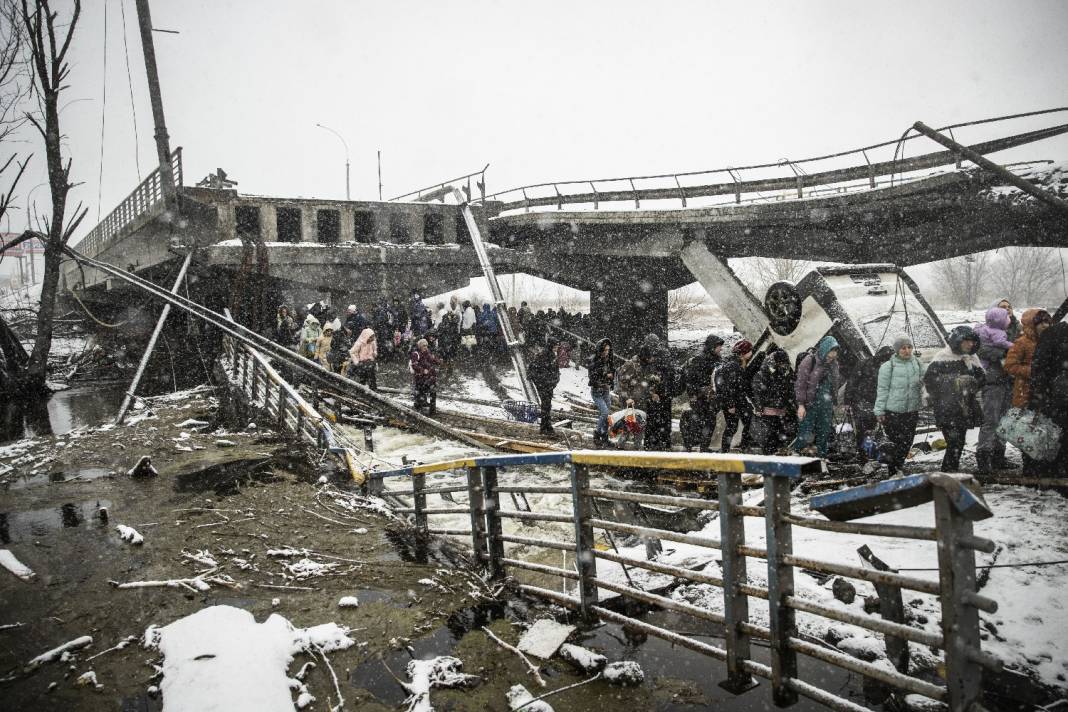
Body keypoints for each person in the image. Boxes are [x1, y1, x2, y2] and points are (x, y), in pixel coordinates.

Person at [924, 326, 985, 472]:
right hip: (946, 408)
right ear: (958, 341)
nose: (970, 344)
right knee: (954, 443)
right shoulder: (942, 357)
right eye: (967, 341)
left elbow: (982, 378)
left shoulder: (971, 358)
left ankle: (950, 473)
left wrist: (972, 381)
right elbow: (930, 381)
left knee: (959, 443)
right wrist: (954, 381)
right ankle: (948, 474)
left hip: (963, 407)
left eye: (972, 341)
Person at [1003, 309, 1053, 475]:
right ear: (1033, 324)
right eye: (1041, 323)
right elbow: (1010, 366)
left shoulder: (1050, 341)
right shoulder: (1022, 342)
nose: (1045, 326)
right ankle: (1030, 470)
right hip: (1026, 392)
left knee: (1045, 430)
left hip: (1046, 393)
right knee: (1028, 431)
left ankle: (1043, 468)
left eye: (1047, 322)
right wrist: (1033, 371)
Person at [873, 336, 925, 476]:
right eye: (903, 348)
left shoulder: (918, 364)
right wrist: (879, 411)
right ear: (897, 350)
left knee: (907, 441)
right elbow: (882, 389)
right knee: (896, 442)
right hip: (893, 412)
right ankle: (894, 470)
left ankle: (897, 467)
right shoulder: (887, 367)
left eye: (909, 347)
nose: (907, 351)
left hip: (911, 410)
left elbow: (927, 379)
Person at [974, 306, 1016, 474]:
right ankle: (984, 458)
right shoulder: (985, 333)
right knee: (991, 420)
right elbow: (983, 350)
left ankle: (999, 457)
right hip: (992, 381)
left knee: (1004, 419)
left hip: (1007, 380)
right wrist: (1005, 351)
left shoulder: (1013, 330)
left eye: (1008, 308)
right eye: (1004, 309)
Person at [1028, 320, 1068, 478]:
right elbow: (1040, 365)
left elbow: (1039, 365)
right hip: (1055, 394)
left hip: (1053, 393)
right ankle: (1055, 470)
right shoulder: (1055, 334)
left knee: (1055, 432)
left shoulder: (1052, 334)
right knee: (1056, 432)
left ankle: (1052, 469)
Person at [793, 335, 842, 457]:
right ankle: (797, 454)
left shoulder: (834, 365)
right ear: (825, 349)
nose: (833, 355)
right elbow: (801, 384)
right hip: (811, 403)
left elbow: (835, 384)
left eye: (835, 352)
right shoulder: (810, 361)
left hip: (827, 403)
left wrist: (834, 401)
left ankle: (822, 456)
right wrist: (801, 404)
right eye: (831, 352)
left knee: (824, 431)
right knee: (805, 430)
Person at [845, 346, 894, 461]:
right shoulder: (864, 364)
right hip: (861, 401)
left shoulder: (887, 368)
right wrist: (848, 401)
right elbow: (852, 382)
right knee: (863, 429)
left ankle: (870, 452)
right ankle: (864, 454)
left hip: (874, 402)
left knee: (871, 428)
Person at [683, 334, 725, 452]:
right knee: (697, 422)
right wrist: (694, 394)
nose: (720, 349)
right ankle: (690, 447)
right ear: (712, 347)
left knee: (710, 422)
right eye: (718, 346)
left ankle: (703, 447)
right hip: (700, 398)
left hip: (711, 398)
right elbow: (690, 379)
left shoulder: (718, 360)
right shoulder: (699, 360)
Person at [751, 348, 796, 455]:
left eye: (784, 363)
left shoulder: (782, 373)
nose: (783, 366)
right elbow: (758, 392)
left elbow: (788, 390)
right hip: (769, 411)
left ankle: (774, 457)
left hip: (780, 410)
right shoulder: (764, 374)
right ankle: (770, 457)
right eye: (781, 363)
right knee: (769, 437)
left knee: (776, 437)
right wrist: (759, 407)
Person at [717, 339, 757, 453]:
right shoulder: (733, 366)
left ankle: (744, 446)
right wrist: (730, 404)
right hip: (732, 401)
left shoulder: (738, 364)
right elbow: (729, 387)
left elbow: (740, 386)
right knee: (732, 426)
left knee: (748, 420)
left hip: (738, 400)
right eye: (750, 351)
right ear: (743, 353)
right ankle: (725, 450)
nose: (752, 353)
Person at [637, 333, 676, 450]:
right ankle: (661, 442)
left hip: (660, 392)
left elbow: (647, 375)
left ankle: (654, 443)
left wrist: (653, 392)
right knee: (661, 419)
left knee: (656, 419)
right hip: (660, 393)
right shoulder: (659, 355)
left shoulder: (656, 356)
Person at [586, 338, 615, 446]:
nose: (606, 352)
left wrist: (610, 380)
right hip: (597, 391)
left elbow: (612, 372)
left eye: (608, 350)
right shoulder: (594, 360)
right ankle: (597, 434)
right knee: (604, 413)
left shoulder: (609, 360)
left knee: (606, 415)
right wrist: (605, 375)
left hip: (606, 390)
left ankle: (604, 436)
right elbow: (592, 377)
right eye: (605, 350)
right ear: (600, 350)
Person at [528, 340, 561, 435]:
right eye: (555, 346)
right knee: (546, 405)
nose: (557, 348)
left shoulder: (552, 356)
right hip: (543, 384)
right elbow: (533, 370)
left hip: (548, 384)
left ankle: (545, 425)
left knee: (547, 404)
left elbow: (555, 370)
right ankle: (546, 426)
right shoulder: (543, 356)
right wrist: (542, 381)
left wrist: (554, 380)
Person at [410, 338, 441, 415]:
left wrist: (438, 360)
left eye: (426, 345)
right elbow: (414, 365)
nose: (425, 347)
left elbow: (434, 360)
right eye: (424, 345)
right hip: (420, 377)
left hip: (430, 377)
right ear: (420, 346)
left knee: (433, 392)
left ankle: (432, 410)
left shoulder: (428, 353)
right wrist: (422, 370)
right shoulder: (416, 354)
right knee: (421, 393)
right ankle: (419, 408)